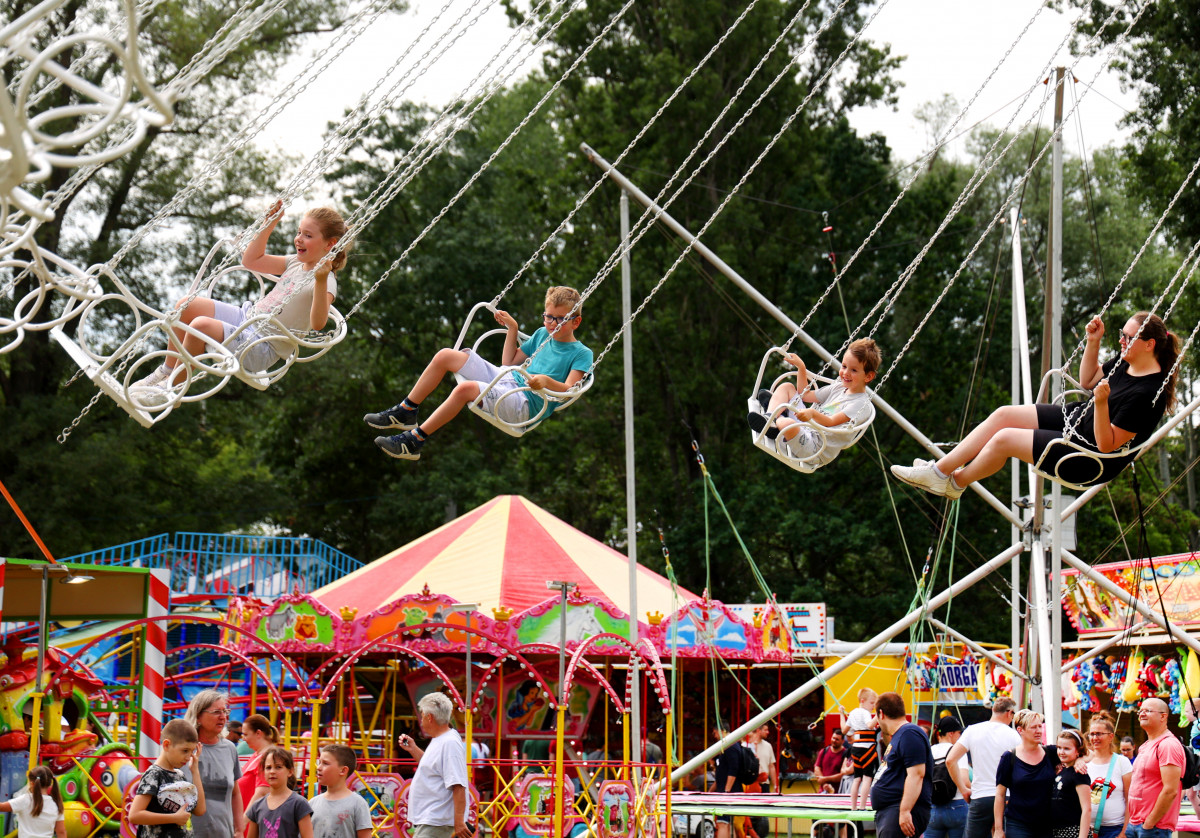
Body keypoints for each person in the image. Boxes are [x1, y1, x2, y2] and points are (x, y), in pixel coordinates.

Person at [892, 312, 1181, 498]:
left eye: (1128, 338)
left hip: (1087, 457)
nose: (1121, 340)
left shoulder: (1148, 394)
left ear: (1149, 345)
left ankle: (955, 483)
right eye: (1121, 333)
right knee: (1004, 415)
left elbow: (1107, 445)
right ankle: (940, 472)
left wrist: (1103, 404)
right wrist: (1093, 342)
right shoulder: (1126, 361)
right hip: (1079, 422)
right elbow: (1088, 380)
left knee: (1004, 439)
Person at [131, 202, 349, 406]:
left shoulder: (326, 280)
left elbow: (319, 323)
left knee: (200, 327)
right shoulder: (295, 262)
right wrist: (269, 223)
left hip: (262, 345)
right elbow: (251, 261)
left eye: (308, 235)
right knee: (186, 305)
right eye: (299, 232)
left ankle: (172, 389)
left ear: (329, 244)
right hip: (247, 318)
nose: (299, 239)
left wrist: (320, 280)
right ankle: (167, 371)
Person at [365, 286, 593, 460]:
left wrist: (545, 381)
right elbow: (509, 361)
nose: (552, 323)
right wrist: (512, 329)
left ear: (576, 322)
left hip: (524, 403)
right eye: (548, 316)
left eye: (560, 319)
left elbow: (568, 389)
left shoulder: (581, 353)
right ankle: (407, 410)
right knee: (446, 355)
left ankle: (415, 440)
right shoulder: (542, 333)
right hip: (507, 378)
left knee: (465, 389)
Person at [747, 340, 879, 466]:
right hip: (806, 426)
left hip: (815, 447)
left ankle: (777, 420)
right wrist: (801, 368)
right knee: (787, 387)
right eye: (844, 366)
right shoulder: (839, 387)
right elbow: (805, 395)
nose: (845, 373)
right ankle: (771, 416)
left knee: (788, 424)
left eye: (854, 370)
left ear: (868, 376)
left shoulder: (861, 404)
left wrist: (812, 413)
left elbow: (831, 421)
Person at [397, 693, 472, 838]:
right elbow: (433, 767)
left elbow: (458, 784)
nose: (421, 720)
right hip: (432, 818)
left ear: (429, 717)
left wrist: (459, 822)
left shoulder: (449, 743)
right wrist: (413, 749)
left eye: (422, 715)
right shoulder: (441, 739)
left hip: (437, 819)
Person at [946, 697, 1020, 838]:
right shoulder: (1013, 736)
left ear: (993, 709)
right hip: (1007, 797)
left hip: (980, 796)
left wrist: (963, 789)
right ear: (1010, 713)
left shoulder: (972, 730)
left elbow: (950, 760)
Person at [129, 719, 208, 838]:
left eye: (192, 752)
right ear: (166, 745)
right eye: (185, 750)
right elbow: (134, 815)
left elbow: (200, 810)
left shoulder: (179, 775)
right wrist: (173, 818)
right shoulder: (154, 774)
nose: (188, 757)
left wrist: (195, 771)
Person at [870, 692, 933, 838]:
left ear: (881, 713)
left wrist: (905, 811)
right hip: (891, 811)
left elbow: (917, 774)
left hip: (898, 810)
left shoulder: (909, 733)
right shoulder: (900, 735)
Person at [183, 690, 244, 838]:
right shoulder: (184, 748)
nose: (223, 717)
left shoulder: (229, 749)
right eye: (216, 712)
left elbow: (235, 793)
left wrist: (239, 830)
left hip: (224, 834)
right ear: (198, 716)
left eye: (225, 711)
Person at [994, 709, 1059, 838]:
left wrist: (1079, 760)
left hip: (1047, 824)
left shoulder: (1052, 752)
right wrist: (998, 829)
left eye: (1040, 726)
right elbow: (1000, 795)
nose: (1039, 731)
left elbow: (1082, 752)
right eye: (1033, 727)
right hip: (1018, 824)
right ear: (1020, 730)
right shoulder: (1009, 757)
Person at [1126, 697, 1184, 838]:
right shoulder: (1146, 745)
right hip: (1135, 824)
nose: (1141, 714)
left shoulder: (1167, 745)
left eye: (1148, 711)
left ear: (1163, 716)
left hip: (1154, 828)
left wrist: (1149, 823)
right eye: (1140, 711)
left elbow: (1171, 790)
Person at [245, 747, 312, 838]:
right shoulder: (257, 806)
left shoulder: (299, 803)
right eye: (268, 768)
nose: (272, 771)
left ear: (290, 771)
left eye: (278, 767)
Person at [1085, 711, 1133, 838]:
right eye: (1092, 734)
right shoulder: (1083, 762)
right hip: (1087, 829)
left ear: (1111, 736)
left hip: (1114, 829)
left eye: (1099, 734)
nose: (1095, 738)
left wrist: (1124, 832)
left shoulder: (1121, 762)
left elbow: (1130, 799)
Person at [310, 745, 372, 838]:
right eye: (319, 762)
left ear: (343, 770)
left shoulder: (358, 804)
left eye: (325, 763)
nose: (318, 767)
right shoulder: (312, 803)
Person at [928, 716, 968, 838]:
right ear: (951, 734)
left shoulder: (929, 751)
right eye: (959, 733)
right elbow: (965, 780)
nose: (960, 737)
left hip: (932, 807)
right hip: (957, 805)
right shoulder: (957, 751)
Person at [0, 765, 65, 838]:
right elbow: (61, 832)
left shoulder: (25, 800)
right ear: (50, 784)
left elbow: (2, 807)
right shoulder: (56, 804)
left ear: (31, 783)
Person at [1051, 729, 1091, 838]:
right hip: (1057, 831)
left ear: (1078, 751)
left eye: (1067, 749)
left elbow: (1087, 808)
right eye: (1059, 748)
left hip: (1073, 831)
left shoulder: (1079, 773)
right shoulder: (1062, 771)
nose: (1061, 752)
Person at [845, 688, 880, 811]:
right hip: (867, 748)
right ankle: (862, 806)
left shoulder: (853, 713)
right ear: (863, 701)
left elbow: (846, 731)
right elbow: (870, 725)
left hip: (856, 748)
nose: (873, 707)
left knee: (857, 778)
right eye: (872, 703)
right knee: (867, 777)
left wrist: (841, 714)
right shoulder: (865, 712)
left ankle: (853, 806)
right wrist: (878, 714)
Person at [238, 715, 280, 813]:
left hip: (251, 822)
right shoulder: (257, 754)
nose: (243, 739)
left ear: (258, 733)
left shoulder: (268, 757)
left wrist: (244, 820)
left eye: (246, 734)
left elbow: (262, 792)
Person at [710, 720, 744, 838]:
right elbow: (723, 772)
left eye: (715, 733)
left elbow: (733, 770)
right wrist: (712, 790)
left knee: (723, 823)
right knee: (728, 824)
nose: (714, 736)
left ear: (721, 731)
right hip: (727, 791)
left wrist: (726, 791)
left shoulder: (731, 746)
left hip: (729, 792)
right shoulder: (730, 745)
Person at [813, 729, 850, 794]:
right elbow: (817, 767)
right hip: (823, 791)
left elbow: (843, 775)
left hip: (838, 793)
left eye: (837, 739)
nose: (834, 741)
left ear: (842, 741)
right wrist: (824, 784)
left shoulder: (846, 754)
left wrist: (825, 779)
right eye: (833, 738)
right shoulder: (824, 751)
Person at [755, 722, 778, 794]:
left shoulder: (768, 746)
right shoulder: (746, 745)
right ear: (759, 730)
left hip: (765, 783)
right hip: (751, 783)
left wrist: (775, 786)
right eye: (765, 730)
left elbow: (771, 766)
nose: (768, 732)